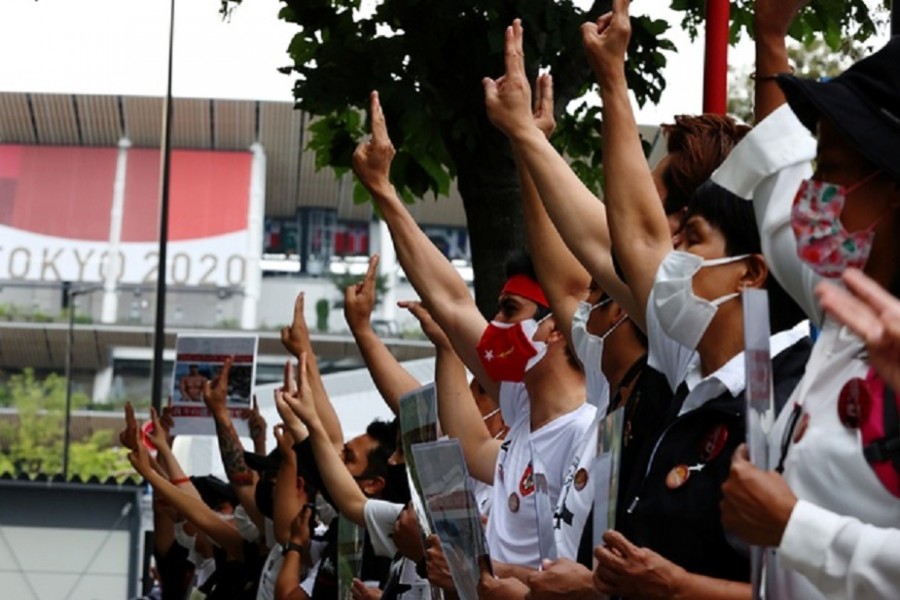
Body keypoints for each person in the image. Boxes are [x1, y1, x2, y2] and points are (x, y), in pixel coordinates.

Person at [352, 91, 595, 580]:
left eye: (510, 310)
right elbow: (451, 300)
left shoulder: (589, 431)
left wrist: (529, 146)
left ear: (555, 326)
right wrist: (383, 188)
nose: (495, 326)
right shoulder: (522, 412)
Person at [714, 1, 900, 597]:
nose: (812, 193)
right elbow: (778, 184)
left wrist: (794, 527)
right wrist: (770, 42)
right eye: (815, 166)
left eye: (834, 170)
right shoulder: (844, 311)